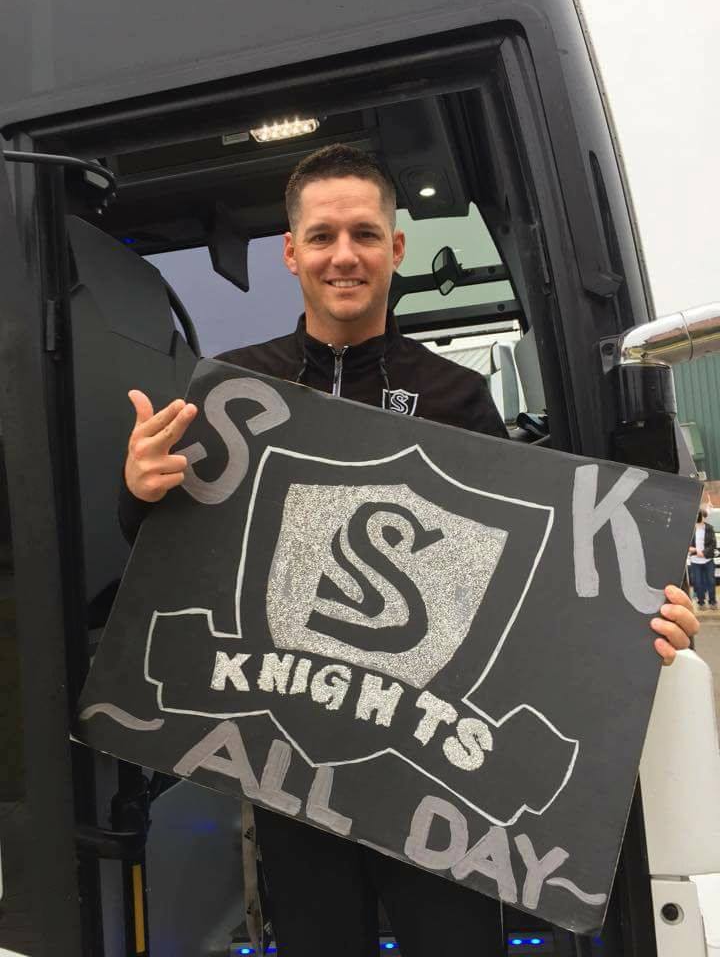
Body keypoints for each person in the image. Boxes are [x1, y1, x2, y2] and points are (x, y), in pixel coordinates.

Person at [119, 144, 699, 956]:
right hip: (288, 761)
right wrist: (139, 492)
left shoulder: (458, 396)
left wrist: (637, 619)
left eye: (364, 234)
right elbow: (176, 557)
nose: (343, 255)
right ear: (290, 252)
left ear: (396, 248)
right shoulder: (235, 388)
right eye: (322, 236)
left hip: (432, 771)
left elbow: (530, 573)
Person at [688, 507, 718, 610]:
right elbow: (686, 544)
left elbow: (713, 544)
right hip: (695, 562)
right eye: (701, 516)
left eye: (704, 516)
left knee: (711, 582)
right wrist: (694, 550)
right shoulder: (690, 529)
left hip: (708, 561)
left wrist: (704, 553)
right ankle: (701, 602)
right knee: (698, 582)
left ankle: (712, 602)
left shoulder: (709, 528)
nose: (703, 518)